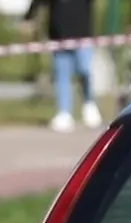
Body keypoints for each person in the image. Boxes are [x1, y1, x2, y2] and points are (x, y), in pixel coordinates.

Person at [22, 0, 102, 133]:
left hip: (82, 35)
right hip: (58, 37)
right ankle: (64, 112)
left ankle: (89, 104)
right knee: (62, 76)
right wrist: (29, 17)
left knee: (84, 70)